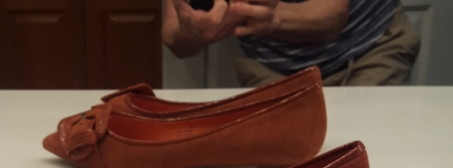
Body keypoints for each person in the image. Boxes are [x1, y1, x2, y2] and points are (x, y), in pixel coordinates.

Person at [162, 0, 421, 86]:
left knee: (372, 165)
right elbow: (173, 35)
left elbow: (332, 15)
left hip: (370, 48)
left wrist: (275, 18)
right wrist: (194, 30)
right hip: (271, 67)